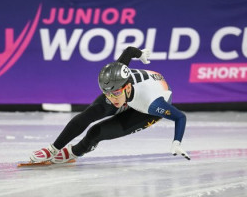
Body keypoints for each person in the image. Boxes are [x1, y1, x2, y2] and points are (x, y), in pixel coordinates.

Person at [30, 46, 190, 163]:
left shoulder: (153, 104)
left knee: (96, 132)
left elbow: (180, 117)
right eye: (107, 93)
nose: (111, 98)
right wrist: (141, 54)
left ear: (126, 88)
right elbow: (129, 51)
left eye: (115, 93)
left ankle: (76, 151)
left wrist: (177, 142)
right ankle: (53, 149)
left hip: (146, 108)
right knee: (89, 114)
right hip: (131, 93)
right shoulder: (117, 75)